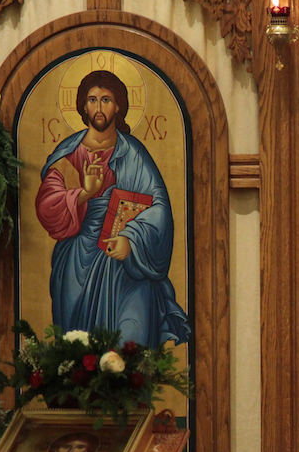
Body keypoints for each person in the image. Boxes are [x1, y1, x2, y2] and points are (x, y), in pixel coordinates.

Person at [35, 69, 190, 346]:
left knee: (131, 344)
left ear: (118, 106)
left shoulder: (134, 154)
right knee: (80, 352)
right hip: (78, 264)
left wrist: (131, 239)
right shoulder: (68, 154)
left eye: (106, 99)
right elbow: (47, 205)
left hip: (127, 265)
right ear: (83, 106)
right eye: (92, 100)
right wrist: (84, 193)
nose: (99, 107)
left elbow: (160, 207)